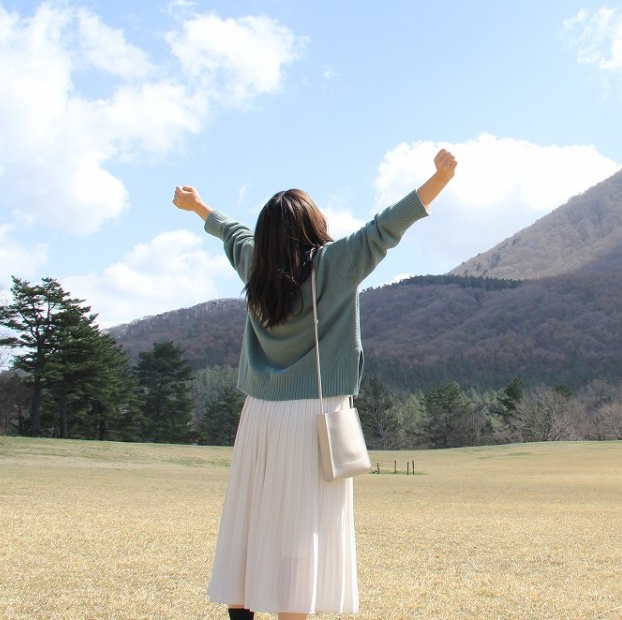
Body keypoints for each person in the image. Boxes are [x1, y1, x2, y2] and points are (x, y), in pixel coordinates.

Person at [173, 149, 458, 620]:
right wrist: (439, 179)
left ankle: (240, 608)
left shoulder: (254, 266)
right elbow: (386, 227)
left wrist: (199, 206)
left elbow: (233, 232)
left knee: (250, 515)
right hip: (314, 416)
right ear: (313, 225)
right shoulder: (335, 264)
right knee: (302, 530)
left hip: (260, 414)